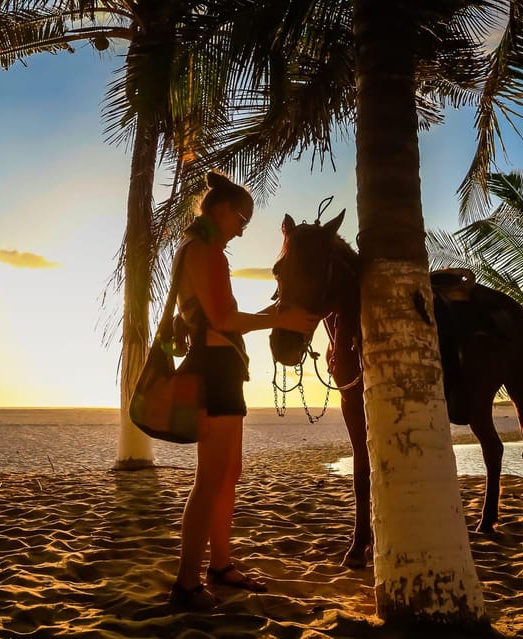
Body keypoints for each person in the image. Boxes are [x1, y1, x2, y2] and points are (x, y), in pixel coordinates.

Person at [169, 171, 318, 609]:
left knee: (228, 474)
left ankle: (220, 565)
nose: (243, 228)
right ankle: (186, 584)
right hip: (214, 370)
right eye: (242, 218)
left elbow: (194, 312)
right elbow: (223, 318)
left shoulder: (195, 250)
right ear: (220, 210)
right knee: (210, 479)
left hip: (223, 370)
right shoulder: (206, 252)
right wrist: (279, 319)